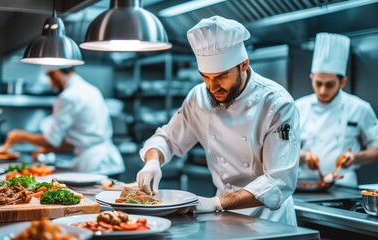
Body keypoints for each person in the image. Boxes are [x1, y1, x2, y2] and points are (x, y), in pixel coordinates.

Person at [136, 16, 300, 226]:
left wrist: (215, 203)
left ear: (244, 65)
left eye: (221, 76)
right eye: (205, 76)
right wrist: (152, 161)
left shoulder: (276, 103)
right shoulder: (199, 97)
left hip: (270, 220)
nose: (212, 87)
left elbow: (279, 181)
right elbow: (167, 138)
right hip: (224, 217)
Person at [0, 66, 125, 176]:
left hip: (93, 165)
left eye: (49, 77)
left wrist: (22, 136)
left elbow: (52, 140)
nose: (51, 85)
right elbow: (80, 138)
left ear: (55, 73)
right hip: (111, 162)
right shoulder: (91, 89)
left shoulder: (68, 96)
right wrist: (48, 149)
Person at [296, 33, 378, 187]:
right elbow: (282, 149)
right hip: (306, 184)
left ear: (343, 82)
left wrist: (355, 157)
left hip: (344, 185)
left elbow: (376, 148)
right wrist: (303, 157)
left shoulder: (359, 108)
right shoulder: (298, 107)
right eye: (318, 83)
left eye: (329, 84)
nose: (322, 90)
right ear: (311, 77)